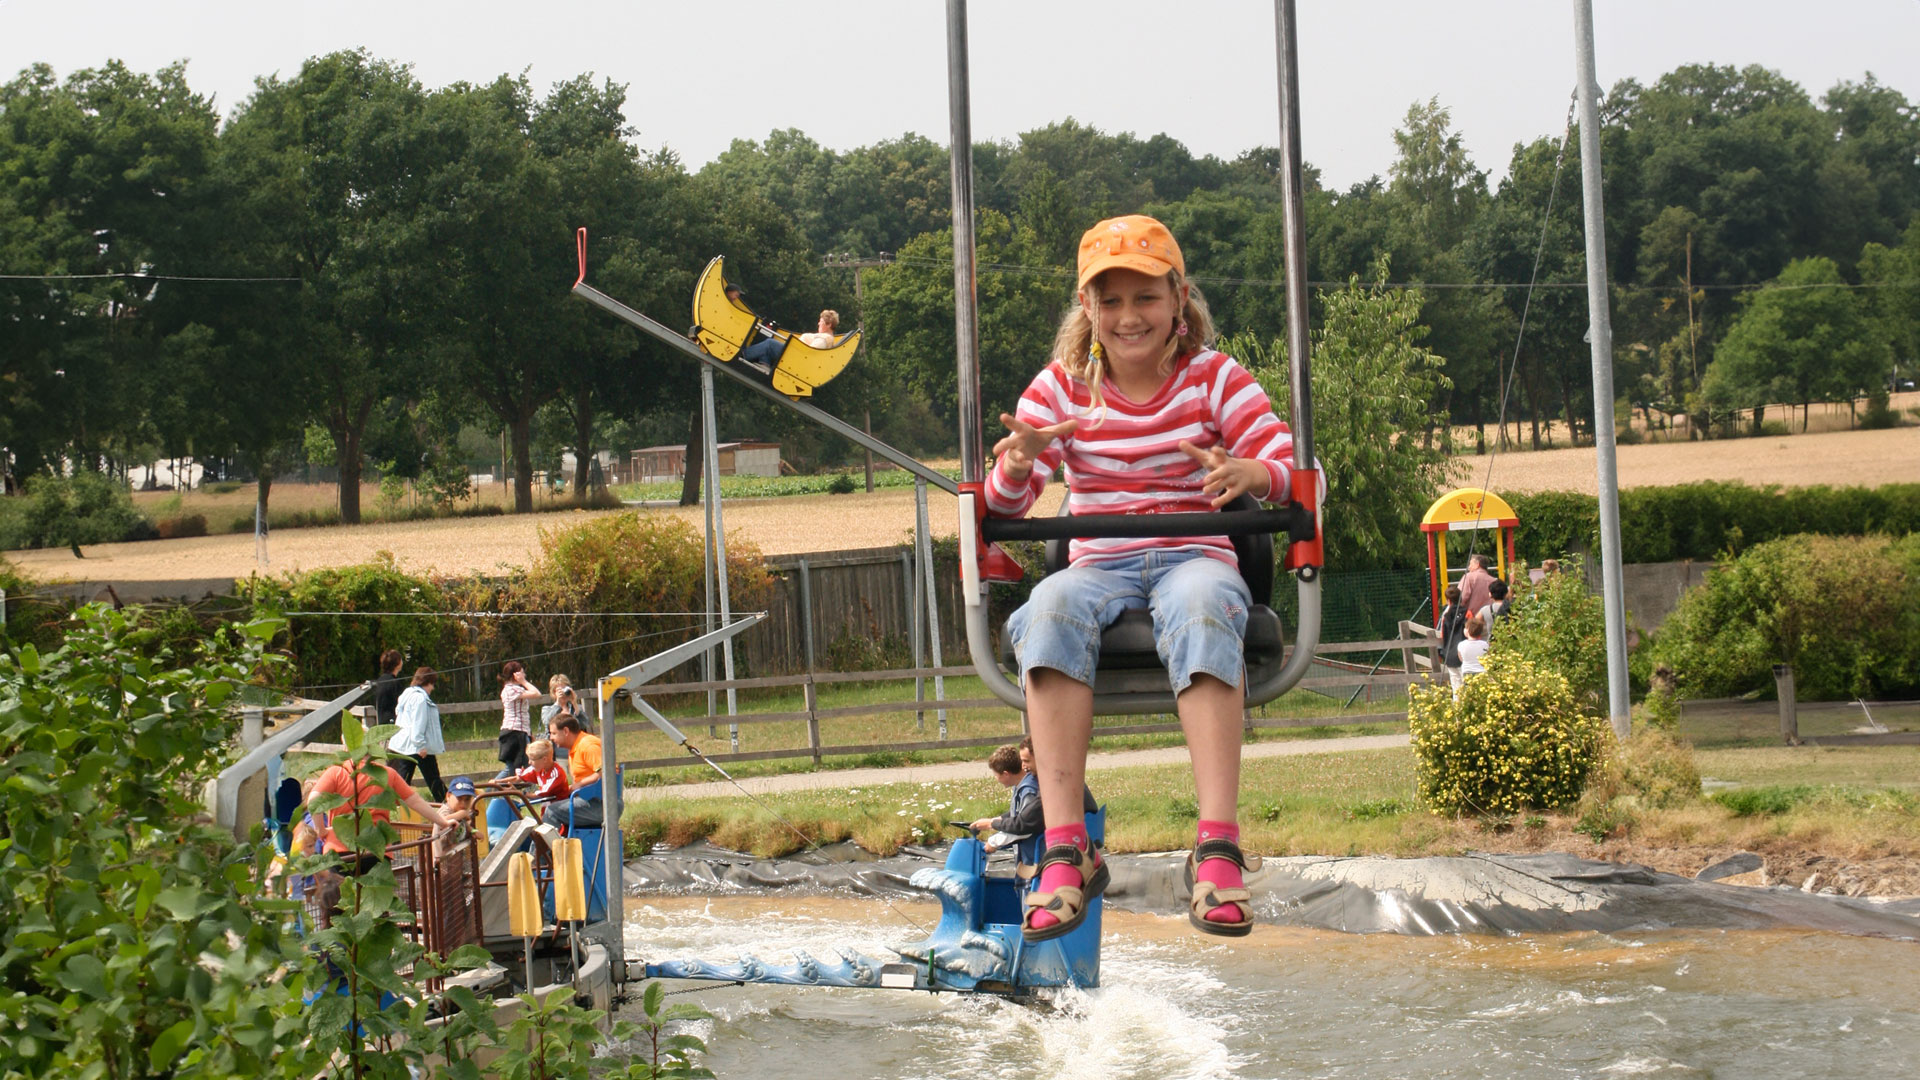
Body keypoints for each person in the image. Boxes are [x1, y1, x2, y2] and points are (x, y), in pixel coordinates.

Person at [990, 214, 1295, 942]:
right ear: (1088, 308)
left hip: (1195, 556)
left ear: (1178, 299)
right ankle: (1067, 848)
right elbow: (1002, 505)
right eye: (1112, 299)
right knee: (1049, 605)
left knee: (1200, 602)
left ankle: (1217, 847)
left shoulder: (1214, 379)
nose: (1130, 317)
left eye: (1147, 298)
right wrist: (1022, 463)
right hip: (1098, 563)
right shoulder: (1063, 391)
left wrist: (1248, 471)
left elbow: (1283, 466)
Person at [307, 752, 465, 877]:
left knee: (338, 906)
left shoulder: (336, 772)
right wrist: (442, 822)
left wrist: (320, 830)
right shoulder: (387, 774)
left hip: (339, 850)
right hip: (376, 850)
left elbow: (313, 799)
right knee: (379, 908)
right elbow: (414, 801)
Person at [387, 667, 448, 801]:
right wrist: (420, 745)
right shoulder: (420, 699)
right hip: (417, 746)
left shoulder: (407, 694)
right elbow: (418, 724)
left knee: (402, 779)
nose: (433, 688)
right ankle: (448, 803)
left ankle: (396, 805)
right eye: (433, 684)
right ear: (428, 682)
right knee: (433, 780)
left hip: (402, 744)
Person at [543, 715, 604, 830]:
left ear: (566, 731)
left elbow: (606, 773)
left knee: (551, 812)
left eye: (554, 733)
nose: (551, 737)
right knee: (554, 805)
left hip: (601, 804)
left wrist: (579, 785)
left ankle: (549, 848)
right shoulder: (575, 747)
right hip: (589, 800)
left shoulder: (588, 746)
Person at [738, 309, 841, 371]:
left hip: (795, 358)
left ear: (828, 325)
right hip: (794, 354)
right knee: (771, 342)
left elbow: (810, 353)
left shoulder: (823, 340)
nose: (818, 323)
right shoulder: (824, 337)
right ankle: (765, 363)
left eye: (821, 322)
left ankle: (743, 354)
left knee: (770, 343)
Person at [497, 661, 537, 774]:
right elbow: (537, 694)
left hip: (518, 731)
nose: (524, 675)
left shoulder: (511, 689)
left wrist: (528, 733)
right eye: (522, 673)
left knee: (520, 767)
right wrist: (523, 682)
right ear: (515, 675)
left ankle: (495, 789)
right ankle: (491, 789)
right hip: (515, 732)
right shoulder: (512, 689)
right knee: (512, 768)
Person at [1437, 584, 1467, 692]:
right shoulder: (1467, 613)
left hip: (1449, 654)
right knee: (1466, 685)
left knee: (1456, 687)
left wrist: (1442, 652)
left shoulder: (1445, 616)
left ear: (1448, 600)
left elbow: (1442, 635)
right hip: (1464, 654)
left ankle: (1457, 707)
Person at [1455, 614, 1490, 695]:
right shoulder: (1485, 644)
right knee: (1481, 694)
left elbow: (1461, 659)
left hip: (1467, 672)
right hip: (1482, 672)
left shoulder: (1461, 645)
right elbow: (1487, 657)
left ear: (1468, 630)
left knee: (1469, 694)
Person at [372, 648, 406, 726]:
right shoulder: (394, 683)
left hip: (380, 721)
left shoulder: (379, 680)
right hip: (392, 722)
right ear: (397, 664)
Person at [1458, 552, 1495, 618]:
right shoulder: (1494, 581)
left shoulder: (1469, 577)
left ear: (1477, 564)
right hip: (1490, 618)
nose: (1469, 567)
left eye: (1470, 564)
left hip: (1471, 619)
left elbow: (1461, 598)